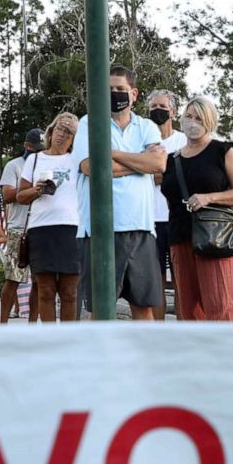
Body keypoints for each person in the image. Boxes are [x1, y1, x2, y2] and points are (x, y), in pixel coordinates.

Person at [75, 66, 166, 320]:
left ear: (134, 94)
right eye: (109, 90)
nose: (115, 94)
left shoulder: (146, 126)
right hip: (100, 231)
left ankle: (143, 360)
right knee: (101, 310)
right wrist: (140, 162)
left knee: (143, 307)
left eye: (120, 90)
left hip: (141, 228)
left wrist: (111, 153)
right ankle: (101, 359)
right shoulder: (89, 123)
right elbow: (90, 166)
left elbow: (158, 165)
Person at [162, 96, 233, 321]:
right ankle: (195, 354)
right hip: (180, 238)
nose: (192, 122)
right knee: (188, 309)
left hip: (214, 238)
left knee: (219, 306)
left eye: (199, 118)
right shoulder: (172, 159)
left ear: (209, 121)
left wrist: (209, 197)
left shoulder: (222, 151)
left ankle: (224, 354)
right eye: (189, 116)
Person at [18, 112, 82, 322]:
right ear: (51, 130)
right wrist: (37, 190)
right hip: (41, 229)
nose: (63, 135)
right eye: (60, 129)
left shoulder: (78, 160)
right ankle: (50, 340)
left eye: (70, 133)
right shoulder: (35, 159)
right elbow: (20, 196)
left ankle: (68, 341)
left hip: (71, 228)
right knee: (45, 290)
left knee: (70, 292)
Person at [147, 89, 188, 316]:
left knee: (182, 282)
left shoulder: (183, 141)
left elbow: (182, 176)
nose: (157, 111)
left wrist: (152, 172)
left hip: (177, 219)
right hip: (150, 221)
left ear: (173, 111)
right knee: (155, 283)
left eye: (162, 107)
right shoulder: (142, 139)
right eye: (153, 107)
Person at [0, 131, 41, 322]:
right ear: (26, 145)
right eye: (35, 148)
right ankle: (3, 323)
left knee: (39, 281)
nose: (38, 153)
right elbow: (7, 195)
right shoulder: (14, 165)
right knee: (13, 278)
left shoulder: (46, 164)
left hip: (40, 227)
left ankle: (33, 323)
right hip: (19, 229)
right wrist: (32, 189)